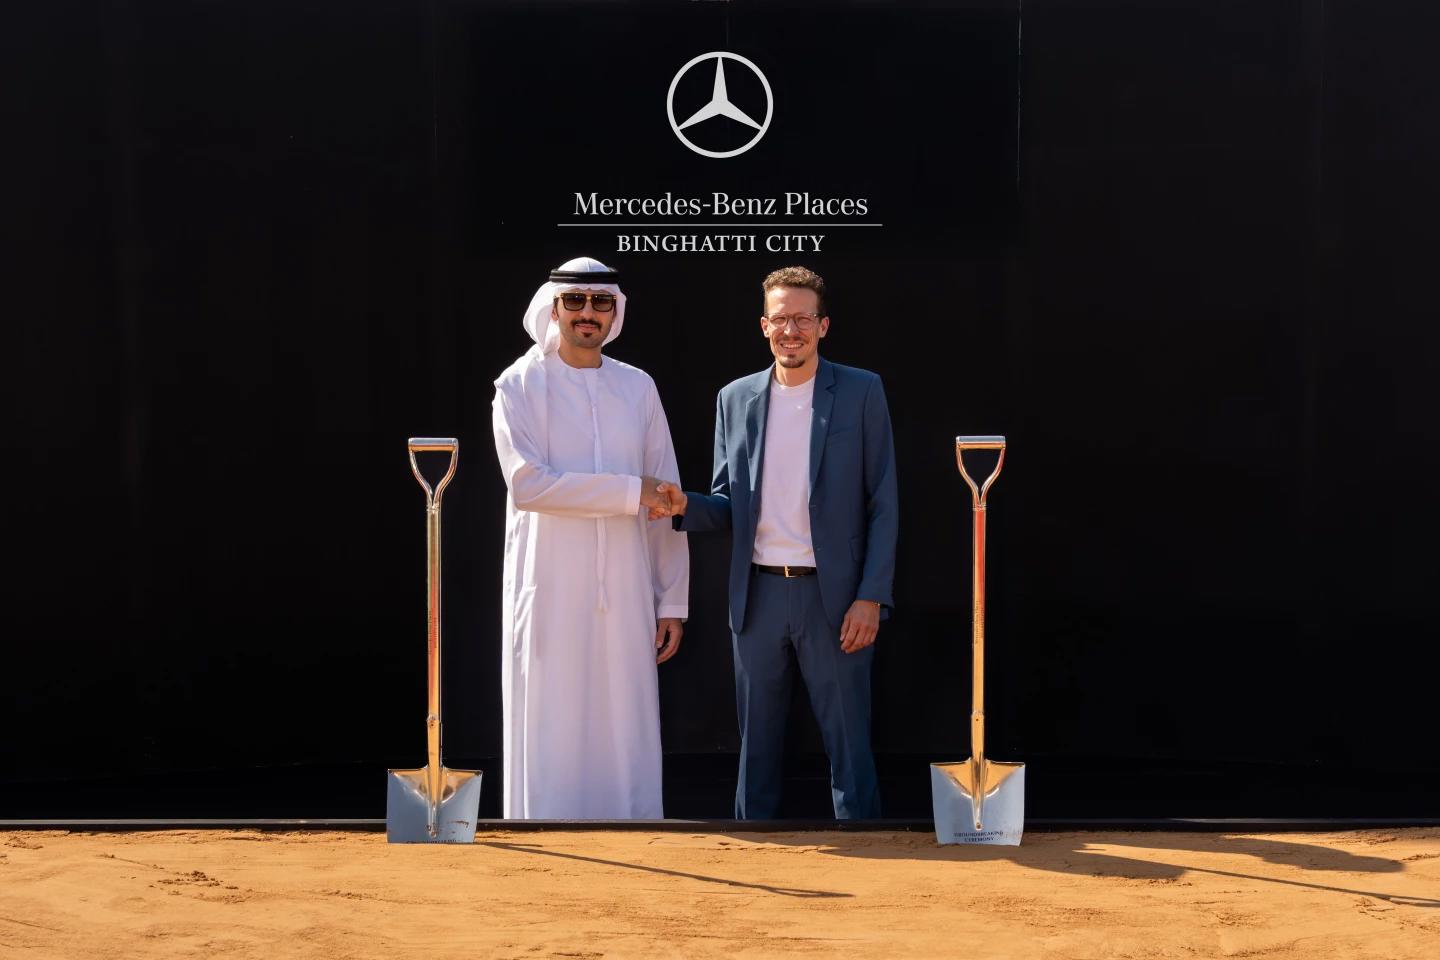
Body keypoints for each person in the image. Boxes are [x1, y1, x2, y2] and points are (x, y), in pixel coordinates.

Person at [661, 266, 898, 819]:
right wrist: (683, 505)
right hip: (758, 597)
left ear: (823, 325)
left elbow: (884, 502)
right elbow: (728, 504)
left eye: (803, 319)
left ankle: (870, 850)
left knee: (849, 744)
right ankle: (755, 849)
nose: (791, 331)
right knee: (756, 748)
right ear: (764, 325)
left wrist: (871, 596)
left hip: (836, 598)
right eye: (780, 319)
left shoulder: (861, 390)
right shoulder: (734, 398)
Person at [491, 256, 688, 819]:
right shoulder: (519, 384)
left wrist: (671, 599)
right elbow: (529, 486)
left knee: (625, 722)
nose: (587, 312)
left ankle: (635, 831)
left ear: (614, 312)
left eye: (600, 302)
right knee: (550, 717)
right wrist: (631, 491)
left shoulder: (637, 387)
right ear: (553, 308)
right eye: (574, 300)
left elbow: (665, 499)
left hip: (626, 589)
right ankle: (544, 841)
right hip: (548, 587)